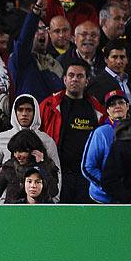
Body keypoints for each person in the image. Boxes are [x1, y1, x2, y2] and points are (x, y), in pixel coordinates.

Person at [39, 60, 106, 203]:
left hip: (87, 176)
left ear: (87, 81)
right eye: (71, 75)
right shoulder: (49, 105)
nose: (75, 79)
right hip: (59, 172)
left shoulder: (97, 110)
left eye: (80, 76)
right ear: (64, 79)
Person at [0, 93, 60, 200]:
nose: (24, 114)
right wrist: (2, 172)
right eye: (20, 110)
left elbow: (57, 173)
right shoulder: (2, 138)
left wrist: (55, 200)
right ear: (15, 112)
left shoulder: (47, 141)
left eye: (28, 110)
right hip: (9, 204)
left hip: (41, 204)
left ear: (35, 112)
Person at [8, 0, 64, 103]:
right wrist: (37, 7)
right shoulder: (20, 59)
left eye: (44, 28)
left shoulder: (56, 64)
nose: (41, 32)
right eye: (37, 29)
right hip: (28, 117)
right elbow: (25, 39)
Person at [81, 89, 128, 203]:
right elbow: (88, 167)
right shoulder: (100, 133)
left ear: (127, 106)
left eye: (120, 102)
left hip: (129, 196)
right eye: (112, 104)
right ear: (107, 110)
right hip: (102, 198)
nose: (117, 106)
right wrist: (109, 185)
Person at [0, 128, 58, 203]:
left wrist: (41, 165)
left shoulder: (47, 166)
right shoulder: (10, 167)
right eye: (15, 151)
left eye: (21, 151)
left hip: (39, 212)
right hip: (13, 212)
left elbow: (53, 192)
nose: (17, 155)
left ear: (34, 150)